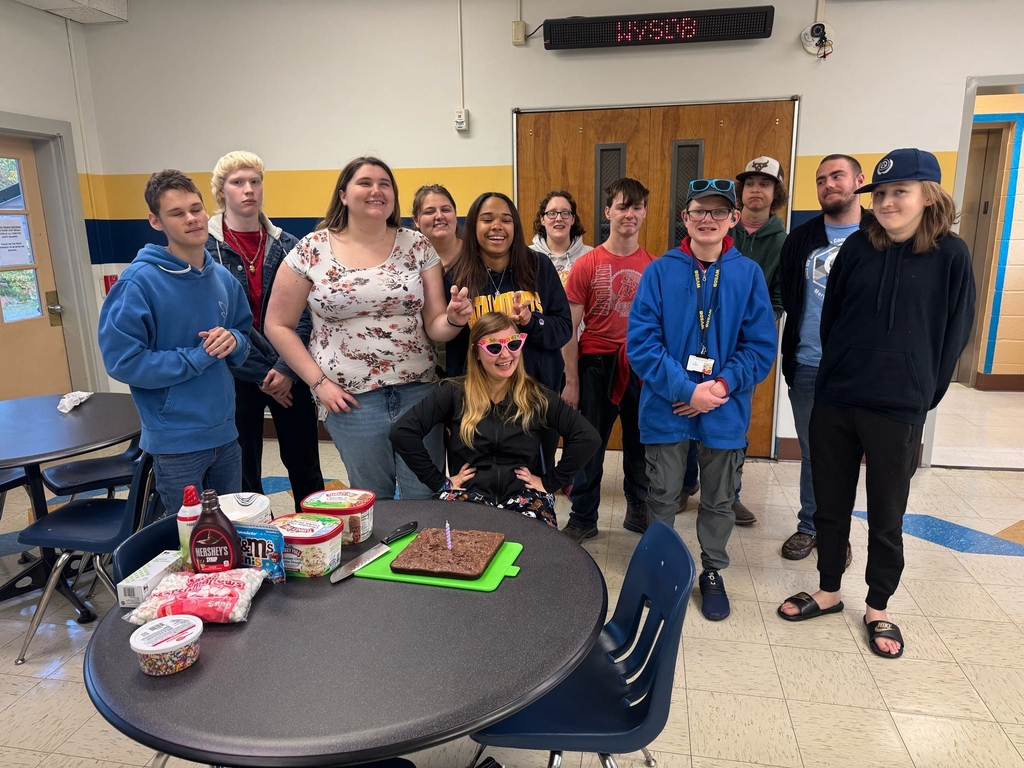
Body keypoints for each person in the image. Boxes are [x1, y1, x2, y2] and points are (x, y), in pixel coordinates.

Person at [778, 149, 976, 659]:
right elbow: (831, 319)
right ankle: (828, 590)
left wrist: (923, 393)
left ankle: (878, 606)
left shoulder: (951, 254)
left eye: (899, 192)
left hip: (899, 406)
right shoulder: (858, 248)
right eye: (881, 194)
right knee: (830, 503)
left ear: (928, 196)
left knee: (888, 514)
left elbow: (955, 332)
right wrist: (835, 374)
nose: (887, 202)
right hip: (838, 398)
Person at [264, 157, 472, 501]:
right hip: (350, 401)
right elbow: (277, 324)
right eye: (365, 183)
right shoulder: (312, 249)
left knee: (426, 497)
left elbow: (436, 328)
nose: (377, 190)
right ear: (343, 195)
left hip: (419, 394)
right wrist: (319, 383)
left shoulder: (417, 245)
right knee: (372, 502)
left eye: (385, 184)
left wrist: (453, 319)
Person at [628, 179, 776, 621]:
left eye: (718, 212)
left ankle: (712, 570)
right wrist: (687, 390)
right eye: (699, 211)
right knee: (662, 494)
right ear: (685, 218)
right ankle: (659, 569)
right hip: (667, 405)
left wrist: (720, 387)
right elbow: (642, 344)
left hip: (724, 408)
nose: (708, 219)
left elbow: (760, 347)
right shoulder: (659, 272)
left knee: (719, 497)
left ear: (734, 219)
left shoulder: (748, 274)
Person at [99, 170, 252, 511]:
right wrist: (197, 357)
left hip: (226, 434)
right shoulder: (138, 283)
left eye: (196, 209)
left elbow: (243, 335)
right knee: (185, 536)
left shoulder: (223, 278)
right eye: (177, 213)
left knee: (229, 529)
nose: (191, 219)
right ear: (156, 221)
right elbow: (123, 361)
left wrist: (233, 342)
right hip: (175, 443)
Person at [390, 312, 600, 527]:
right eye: (494, 347)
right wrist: (438, 482)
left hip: (524, 496)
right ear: (476, 352)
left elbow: (588, 438)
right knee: (454, 545)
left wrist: (550, 482)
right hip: (468, 494)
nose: (505, 354)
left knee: (536, 544)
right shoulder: (454, 392)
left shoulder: (537, 396)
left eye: (513, 344)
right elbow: (403, 432)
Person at [206, 151, 323, 513]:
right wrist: (260, 372)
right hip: (234, 374)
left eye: (255, 181)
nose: (248, 189)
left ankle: (317, 534)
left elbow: (307, 312)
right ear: (221, 191)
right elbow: (212, 320)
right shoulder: (206, 249)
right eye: (237, 182)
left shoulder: (289, 244)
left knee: (305, 464)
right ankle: (258, 538)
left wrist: (285, 369)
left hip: (289, 367)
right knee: (243, 473)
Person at [778, 154, 870, 562]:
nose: (829, 184)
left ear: (859, 181)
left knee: (846, 454)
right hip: (809, 364)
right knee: (814, 451)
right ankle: (810, 525)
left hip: (860, 369)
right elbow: (789, 296)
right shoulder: (801, 238)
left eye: (837, 176)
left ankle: (837, 531)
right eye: (821, 180)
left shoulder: (879, 232)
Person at [560, 178, 655, 541]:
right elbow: (568, 329)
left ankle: (638, 509)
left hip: (640, 366)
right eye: (622, 206)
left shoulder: (654, 267)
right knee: (589, 445)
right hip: (596, 366)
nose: (629, 214)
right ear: (608, 212)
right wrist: (572, 380)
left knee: (640, 444)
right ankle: (583, 517)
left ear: (644, 213)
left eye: (636, 207)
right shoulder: (587, 264)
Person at [703, 155, 789, 527]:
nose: (756, 190)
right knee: (690, 408)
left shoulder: (784, 242)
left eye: (764, 184)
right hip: (703, 341)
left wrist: (754, 334)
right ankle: (687, 484)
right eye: (750, 183)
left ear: (775, 193)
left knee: (733, 421)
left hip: (743, 350)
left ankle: (729, 494)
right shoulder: (721, 228)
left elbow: (779, 299)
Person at [444, 192, 573, 393]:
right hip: (481, 396)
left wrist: (531, 321)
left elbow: (563, 329)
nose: (497, 226)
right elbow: (456, 351)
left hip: (537, 393)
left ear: (515, 227)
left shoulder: (540, 266)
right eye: (487, 219)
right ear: (473, 226)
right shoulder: (457, 277)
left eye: (506, 220)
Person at [529, 190, 593, 286]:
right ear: (542, 220)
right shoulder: (527, 256)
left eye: (565, 213)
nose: (559, 218)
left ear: (573, 219)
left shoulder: (590, 255)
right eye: (552, 213)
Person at [412, 184, 461, 271]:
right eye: (429, 212)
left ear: (455, 215)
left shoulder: (477, 253)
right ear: (416, 221)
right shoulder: (406, 260)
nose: (439, 216)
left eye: (445, 210)